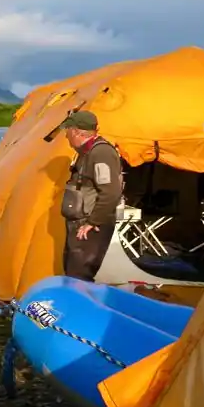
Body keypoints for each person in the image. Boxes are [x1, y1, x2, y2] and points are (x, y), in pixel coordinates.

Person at [59, 110, 124, 281]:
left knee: (80, 275)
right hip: (80, 222)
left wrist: (92, 222)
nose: (66, 136)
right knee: (73, 270)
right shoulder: (86, 152)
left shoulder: (101, 153)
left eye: (67, 130)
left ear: (76, 132)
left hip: (89, 225)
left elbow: (111, 192)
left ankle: (79, 306)